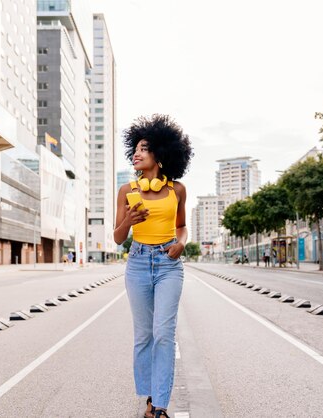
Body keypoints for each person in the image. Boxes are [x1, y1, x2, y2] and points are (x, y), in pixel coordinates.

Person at [114, 114, 193, 418]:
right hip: (137, 263)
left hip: (168, 263)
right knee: (144, 335)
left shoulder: (177, 190)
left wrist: (181, 242)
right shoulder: (126, 191)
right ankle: (150, 398)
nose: (136, 152)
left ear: (161, 154)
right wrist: (128, 222)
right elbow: (118, 238)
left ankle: (159, 406)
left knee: (164, 333)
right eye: (134, 148)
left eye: (144, 148)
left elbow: (182, 226)